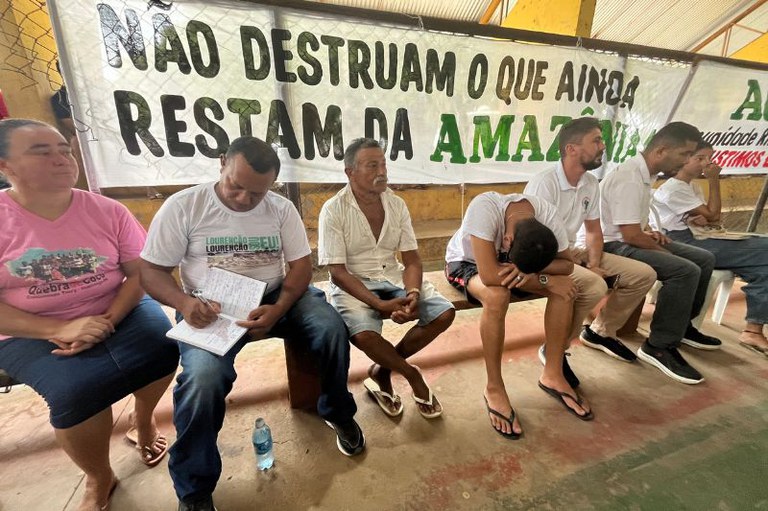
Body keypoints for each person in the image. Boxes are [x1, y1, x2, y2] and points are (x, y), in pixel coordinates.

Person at [139, 136, 363, 511]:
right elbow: (151, 270)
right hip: (208, 306)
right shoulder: (184, 206)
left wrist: (280, 307)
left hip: (276, 297)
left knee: (330, 330)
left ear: (272, 184)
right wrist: (183, 302)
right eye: (236, 186)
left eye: (257, 193)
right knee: (203, 380)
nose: (244, 199)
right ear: (222, 163)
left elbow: (301, 267)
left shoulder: (280, 208)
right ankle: (194, 488)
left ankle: (338, 412)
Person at [0, 119, 179, 511]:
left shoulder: (106, 210)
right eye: (42, 152)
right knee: (76, 391)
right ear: (5, 165)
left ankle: (143, 419)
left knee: (165, 348)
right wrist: (58, 327)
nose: (62, 159)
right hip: (27, 329)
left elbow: (140, 273)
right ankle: (99, 475)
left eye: (64, 150)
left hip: (118, 308)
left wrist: (107, 320)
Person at [445, 190, 602, 437]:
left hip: (520, 267)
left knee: (565, 289)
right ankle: (494, 387)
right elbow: (489, 275)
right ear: (507, 240)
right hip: (470, 263)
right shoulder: (484, 207)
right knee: (497, 296)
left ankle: (553, 373)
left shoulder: (546, 213)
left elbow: (566, 264)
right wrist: (547, 280)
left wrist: (538, 275)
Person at [318, 138, 455, 419]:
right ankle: (411, 373)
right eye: (372, 165)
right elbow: (338, 272)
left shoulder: (396, 204)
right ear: (350, 172)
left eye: (383, 164)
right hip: (353, 282)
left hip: (392, 276)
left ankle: (382, 370)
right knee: (363, 334)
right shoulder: (333, 209)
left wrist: (413, 293)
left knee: (444, 313)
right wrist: (379, 304)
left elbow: (412, 259)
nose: (382, 172)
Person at [525, 117, 657, 363]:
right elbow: (536, 243)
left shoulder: (590, 183)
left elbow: (594, 230)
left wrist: (593, 263)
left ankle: (601, 331)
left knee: (644, 275)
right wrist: (580, 264)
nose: (603, 146)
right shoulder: (544, 183)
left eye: (601, 140)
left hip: (573, 251)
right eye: (596, 141)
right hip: (546, 258)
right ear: (571, 149)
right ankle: (556, 348)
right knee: (594, 285)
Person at [599, 122, 721, 385]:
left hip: (628, 238)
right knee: (685, 270)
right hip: (611, 245)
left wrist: (649, 231)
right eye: (684, 154)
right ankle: (658, 345)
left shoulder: (645, 174)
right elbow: (629, 236)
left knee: (704, 259)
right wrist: (661, 249)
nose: (687, 161)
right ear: (661, 151)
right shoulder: (629, 177)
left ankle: (682, 326)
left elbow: (633, 226)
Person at [652, 140, 768, 356]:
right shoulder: (674, 188)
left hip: (698, 236)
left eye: (709, 158)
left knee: (764, 267)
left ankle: (753, 330)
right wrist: (714, 180)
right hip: (683, 242)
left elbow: (709, 218)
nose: (707, 163)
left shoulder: (692, 186)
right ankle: (752, 329)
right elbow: (714, 215)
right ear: (684, 159)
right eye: (700, 158)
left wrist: (698, 219)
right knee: (765, 248)